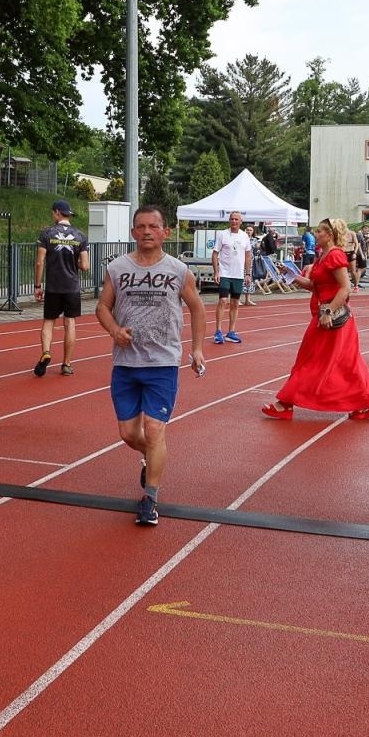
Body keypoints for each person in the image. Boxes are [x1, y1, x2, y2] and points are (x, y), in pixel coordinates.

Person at [95, 205, 208, 526]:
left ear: (165, 232)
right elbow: (102, 306)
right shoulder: (117, 267)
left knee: (155, 430)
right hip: (126, 364)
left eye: (153, 226)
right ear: (133, 232)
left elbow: (198, 309)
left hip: (162, 363)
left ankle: (150, 498)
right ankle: (152, 457)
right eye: (141, 226)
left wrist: (197, 349)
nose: (147, 231)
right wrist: (115, 330)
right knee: (129, 433)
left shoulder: (178, 270)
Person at [263, 217, 369, 421]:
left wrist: (328, 312)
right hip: (322, 317)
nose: (316, 235)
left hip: (332, 320)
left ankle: (285, 403)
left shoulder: (335, 255)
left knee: (314, 360)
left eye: (320, 231)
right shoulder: (323, 255)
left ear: (330, 235)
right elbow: (315, 285)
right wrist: (291, 275)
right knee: (344, 362)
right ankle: (366, 404)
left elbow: (345, 288)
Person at [35, 198, 90, 376]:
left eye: (53, 213)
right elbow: (85, 265)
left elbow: (39, 262)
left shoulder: (47, 233)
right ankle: (66, 364)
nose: (53, 215)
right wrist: (75, 263)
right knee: (70, 323)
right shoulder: (80, 236)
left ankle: (46, 352)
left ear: (57, 212)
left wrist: (37, 285)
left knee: (49, 322)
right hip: (72, 287)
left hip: (53, 286)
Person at [211, 210, 251, 344]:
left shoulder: (245, 236)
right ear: (229, 221)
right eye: (231, 219)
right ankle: (218, 331)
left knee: (235, 303)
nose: (234, 221)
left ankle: (231, 331)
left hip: (238, 275)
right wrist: (216, 272)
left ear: (241, 222)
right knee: (223, 301)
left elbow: (247, 255)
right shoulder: (222, 234)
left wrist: (248, 274)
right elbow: (215, 253)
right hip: (225, 273)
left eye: (236, 219)